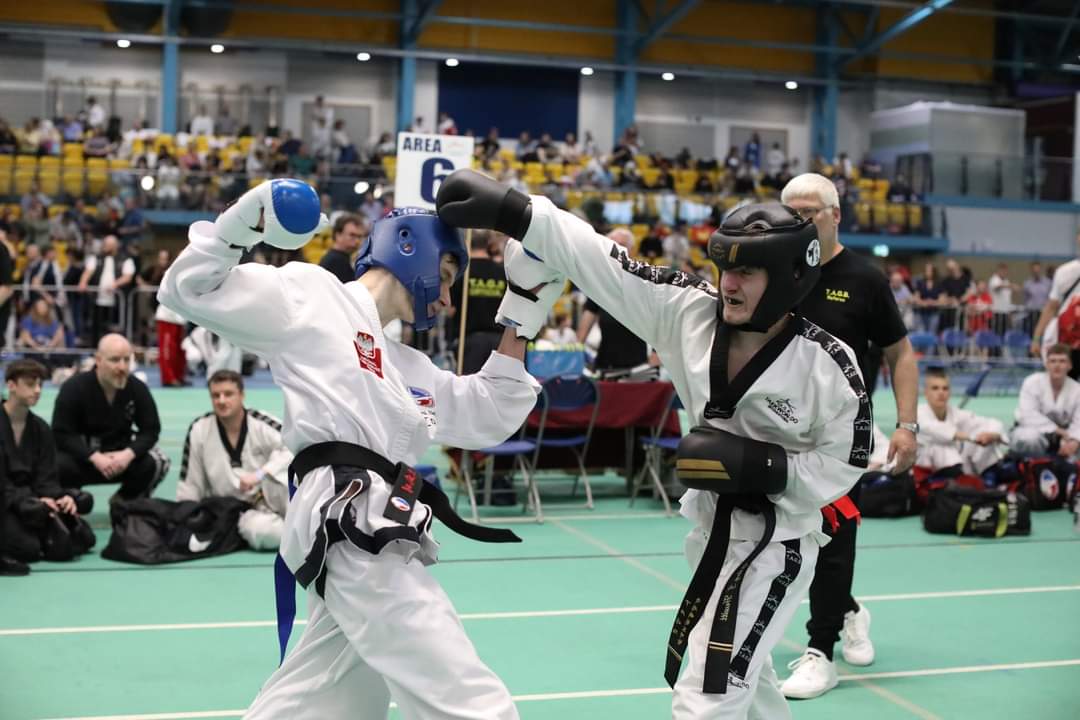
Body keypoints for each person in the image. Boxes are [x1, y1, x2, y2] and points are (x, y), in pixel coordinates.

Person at [437, 169, 871, 720]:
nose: (729, 284)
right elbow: (604, 264)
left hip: (774, 543)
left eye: (747, 271)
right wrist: (517, 212)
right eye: (725, 268)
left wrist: (766, 467)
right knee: (753, 689)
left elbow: (849, 456)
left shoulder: (828, 364)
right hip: (710, 533)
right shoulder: (688, 313)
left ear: (789, 276)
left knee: (708, 694)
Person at [157, 179, 545, 719]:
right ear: (409, 247)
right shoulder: (314, 296)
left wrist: (523, 307)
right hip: (351, 520)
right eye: (446, 277)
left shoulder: (405, 363)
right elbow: (189, 290)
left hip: (377, 524)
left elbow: (487, 411)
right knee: (465, 696)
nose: (448, 299)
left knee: (323, 700)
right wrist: (244, 220)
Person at [778, 172, 918, 700]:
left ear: (835, 216)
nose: (799, 222)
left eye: (809, 212)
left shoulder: (864, 278)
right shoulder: (777, 270)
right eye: (790, 213)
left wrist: (907, 426)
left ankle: (821, 652)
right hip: (779, 428)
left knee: (833, 538)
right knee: (785, 539)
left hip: (843, 436)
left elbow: (900, 354)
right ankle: (850, 609)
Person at [177, 370, 292, 550]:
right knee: (265, 532)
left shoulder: (261, 423)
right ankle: (297, 537)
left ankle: (305, 531)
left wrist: (260, 474)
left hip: (273, 494)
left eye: (228, 394)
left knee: (294, 490)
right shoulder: (199, 430)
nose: (222, 400)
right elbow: (191, 481)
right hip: (239, 511)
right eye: (216, 395)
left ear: (242, 395)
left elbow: (291, 447)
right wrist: (183, 515)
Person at [52, 333, 169, 501]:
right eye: (115, 360)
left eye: (127, 360)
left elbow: (151, 430)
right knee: (52, 464)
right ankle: (71, 500)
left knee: (158, 461)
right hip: (82, 460)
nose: (122, 367)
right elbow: (61, 433)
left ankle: (126, 502)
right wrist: (94, 457)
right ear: (98, 360)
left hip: (120, 459)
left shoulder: (137, 388)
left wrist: (127, 454)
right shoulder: (73, 388)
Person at [1, 359, 94, 567]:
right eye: (30, 384)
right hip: (6, 501)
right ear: (11, 385)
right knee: (27, 549)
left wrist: (59, 497)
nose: (37, 390)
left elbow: (47, 477)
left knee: (84, 538)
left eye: (40, 384)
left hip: (31, 502)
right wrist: (29, 499)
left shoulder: (41, 428)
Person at [576, 228, 649, 373]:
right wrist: (576, 351)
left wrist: (656, 355)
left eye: (622, 245)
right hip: (606, 364)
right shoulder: (599, 281)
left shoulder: (644, 280)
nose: (617, 249)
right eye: (611, 245)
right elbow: (587, 320)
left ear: (632, 250)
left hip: (638, 366)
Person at [917, 367, 1006, 475]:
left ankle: (991, 476)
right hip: (924, 472)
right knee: (942, 446)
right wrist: (972, 438)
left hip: (955, 470)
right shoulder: (917, 413)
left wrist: (993, 435)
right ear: (926, 392)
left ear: (950, 392)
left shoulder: (956, 413)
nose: (941, 393)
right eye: (935, 388)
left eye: (945, 388)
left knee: (985, 437)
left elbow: (991, 423)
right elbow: (934, 430)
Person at [449, 229, 507, 374]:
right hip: (500, 344)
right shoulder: (503, 273)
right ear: (489, 243)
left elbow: (450, 309)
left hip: (469, 343)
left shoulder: (461, 273)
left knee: (469, 386)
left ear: (467, 242)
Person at [1010, 344, 1080, 458]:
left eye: (1062, 361)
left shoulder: (1077, 390)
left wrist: (1074, 440)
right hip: (1031, 431)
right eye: (1053, 361)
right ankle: (1030, 467)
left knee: (1076, 443)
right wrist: (1057, 430)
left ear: (1070, 365)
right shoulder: (1032, 382)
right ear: (1046, 364)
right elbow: (1028, 415)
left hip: (1065, 435)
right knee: (1030, 438)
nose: (1057, 365)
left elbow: (1079, 422)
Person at [1031, 234, 1080, 375]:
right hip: (1067, 341)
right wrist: (1036, 337)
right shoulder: (1064, 272)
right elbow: (1051, 307)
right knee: (1065, 384)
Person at [318, 213, 365, 284]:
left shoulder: (341, 258)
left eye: (359, 236)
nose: (357, 241)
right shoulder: (336, 261)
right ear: (338, 235)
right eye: (352, 235)